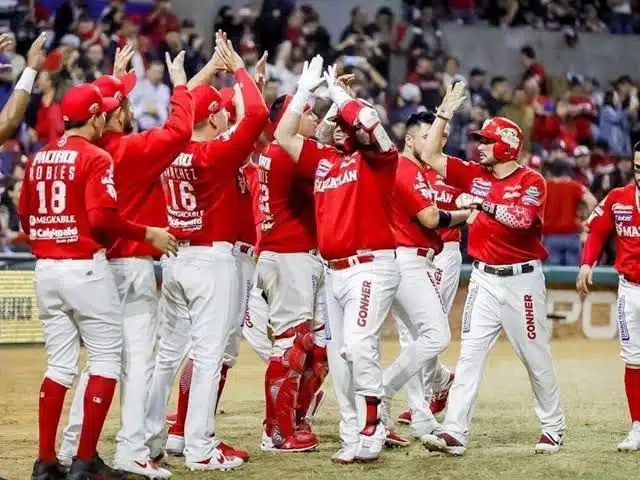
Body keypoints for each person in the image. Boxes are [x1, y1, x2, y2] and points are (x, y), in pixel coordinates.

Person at [22, 82, 177, 480]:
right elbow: (104, 221)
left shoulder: (39, 157)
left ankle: (45, 462)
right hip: (85, 268)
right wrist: (148, 234)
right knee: (106, 360)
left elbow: (24, 218)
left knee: (59, 366)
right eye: (102, 112)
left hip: (45, 268)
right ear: (93, 116)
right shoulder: (95, 156)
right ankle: (85, 461)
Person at [56, 45, 194, 478]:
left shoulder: (86, 152)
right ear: (112, 115)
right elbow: (181, 128)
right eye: (123, 104)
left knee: (98, 363)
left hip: (94, 266)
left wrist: (114, 80)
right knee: (137, 365)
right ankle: (132, 449)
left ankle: (71, 447)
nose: (128, 107)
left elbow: (100, 109)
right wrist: (181, 84)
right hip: (130, 268)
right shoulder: (133, 149)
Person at [420, 82, 566, 455]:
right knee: (469, 355)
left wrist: (483, 205)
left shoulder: (531, 180)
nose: (479, 146)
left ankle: (553, 426)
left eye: (486, 141)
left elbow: (521, 218)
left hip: (522, 281)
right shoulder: (473, 174)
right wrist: (443, 112)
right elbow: (431, 154)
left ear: (505, 146)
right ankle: (454, 431)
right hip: (484, 277)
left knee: (535, 357)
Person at [145, 35, 268, 472]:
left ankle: (150, 438)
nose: (223, 115)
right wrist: (235, 68)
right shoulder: (214, 155)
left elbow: (183, 113)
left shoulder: (168, 146)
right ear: (213, 117)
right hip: (210, 262)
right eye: (218, 110)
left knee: (167, 355)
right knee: (209, 354)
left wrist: (189, 79)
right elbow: (256, 114)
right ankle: (199, 447)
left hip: (175, 258)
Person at [275, 57, 400, 463]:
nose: (340, 128)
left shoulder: (380, 160)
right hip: (335, 272)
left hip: (370, 265)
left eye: (344, 124)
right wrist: (304, 92)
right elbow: (283, 135)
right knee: (342, 356)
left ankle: (373, 423)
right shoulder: (325, 161)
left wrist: (341, 95)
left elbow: (368, 120)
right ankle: (352, 432)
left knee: (361, 345)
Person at [382, 111, 471, 442]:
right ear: (410, 139)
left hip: (427, 256)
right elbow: (432, 218)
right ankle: (386, 397)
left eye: (443, 135)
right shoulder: (410, 170)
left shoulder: (441, 169)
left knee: (419, 335)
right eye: (430, 135)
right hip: (412, 259)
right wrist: (467, 215)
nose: (438, 140)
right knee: (430, 335)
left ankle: (418, 413)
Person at [254, 92, 328, 453]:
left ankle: (294, 422)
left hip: (295, 255)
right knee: (291, 346)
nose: (315, 119)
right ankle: (277, 432)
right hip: (288, 256)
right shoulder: (287, 155)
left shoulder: (280, 152)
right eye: (308, 113)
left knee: (315, 350)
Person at [577, 141, 640, 451]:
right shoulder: (618, 198)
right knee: (633, 360)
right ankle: (637, 426)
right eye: (638, 168)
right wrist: (587, 263)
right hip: (629, 289)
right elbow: (598, 230)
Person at [543, 158, 597, 266]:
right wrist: (586, 220)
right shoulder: (574, 186)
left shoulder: (544, 185)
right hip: (571, 236)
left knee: (553, 279)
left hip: (550, 237)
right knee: (572, 277)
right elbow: (592, 201)